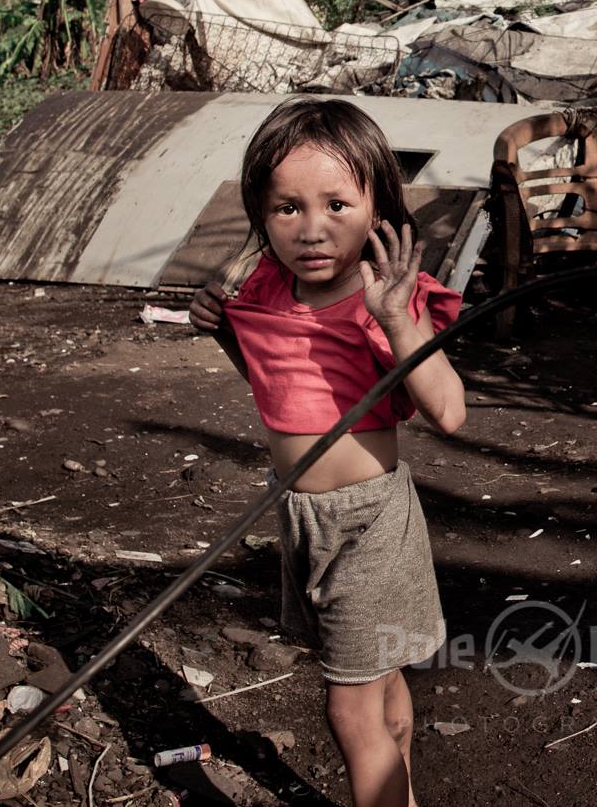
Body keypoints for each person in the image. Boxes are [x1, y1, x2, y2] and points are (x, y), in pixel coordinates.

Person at [189, 98, 466, 807]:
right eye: (287, 208)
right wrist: (225, 331)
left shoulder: (388, 298)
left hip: (371, 521)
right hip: (304, 520)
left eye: (337, 203)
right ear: (260, 212)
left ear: (378, 206)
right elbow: (275, 388)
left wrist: (399, 323)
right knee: (379, 679)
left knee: (348, 705)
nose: (312, 229)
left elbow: (449, 410)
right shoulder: (265, 290)